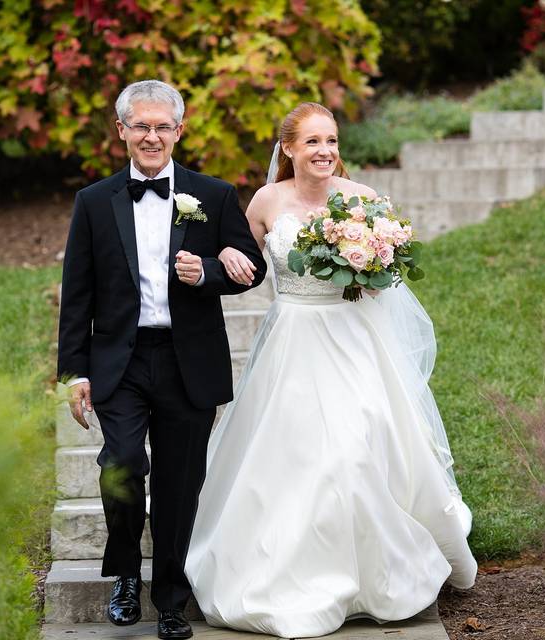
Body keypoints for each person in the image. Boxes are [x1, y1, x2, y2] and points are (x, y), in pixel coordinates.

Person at [184, 102, 477, 638]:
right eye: (314, 142)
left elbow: (389, 274)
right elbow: (244, 265)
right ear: (289, 148)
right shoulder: (266, 202)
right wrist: (223, 257)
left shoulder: (362, 200)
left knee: (361, 441)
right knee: (292, 453)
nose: (325, 152)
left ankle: (375, 573)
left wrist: (370, 267)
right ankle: (295, 572)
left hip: (353, 338)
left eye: (333, 141)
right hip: (293, 342)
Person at [57, 80, 267, 640]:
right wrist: (74, 373)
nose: (152, 136)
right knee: (121, 465)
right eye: (141, 126)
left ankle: (171, 599)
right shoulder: (94, 202)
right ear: (121, 130)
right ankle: (126, 571)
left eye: (163, 126)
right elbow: (76, 295)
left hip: (187, 362)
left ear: (181, 130)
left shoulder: (215, 195)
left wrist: (210, 272)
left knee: (180, 485)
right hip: (119, 364)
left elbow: (252, 264)